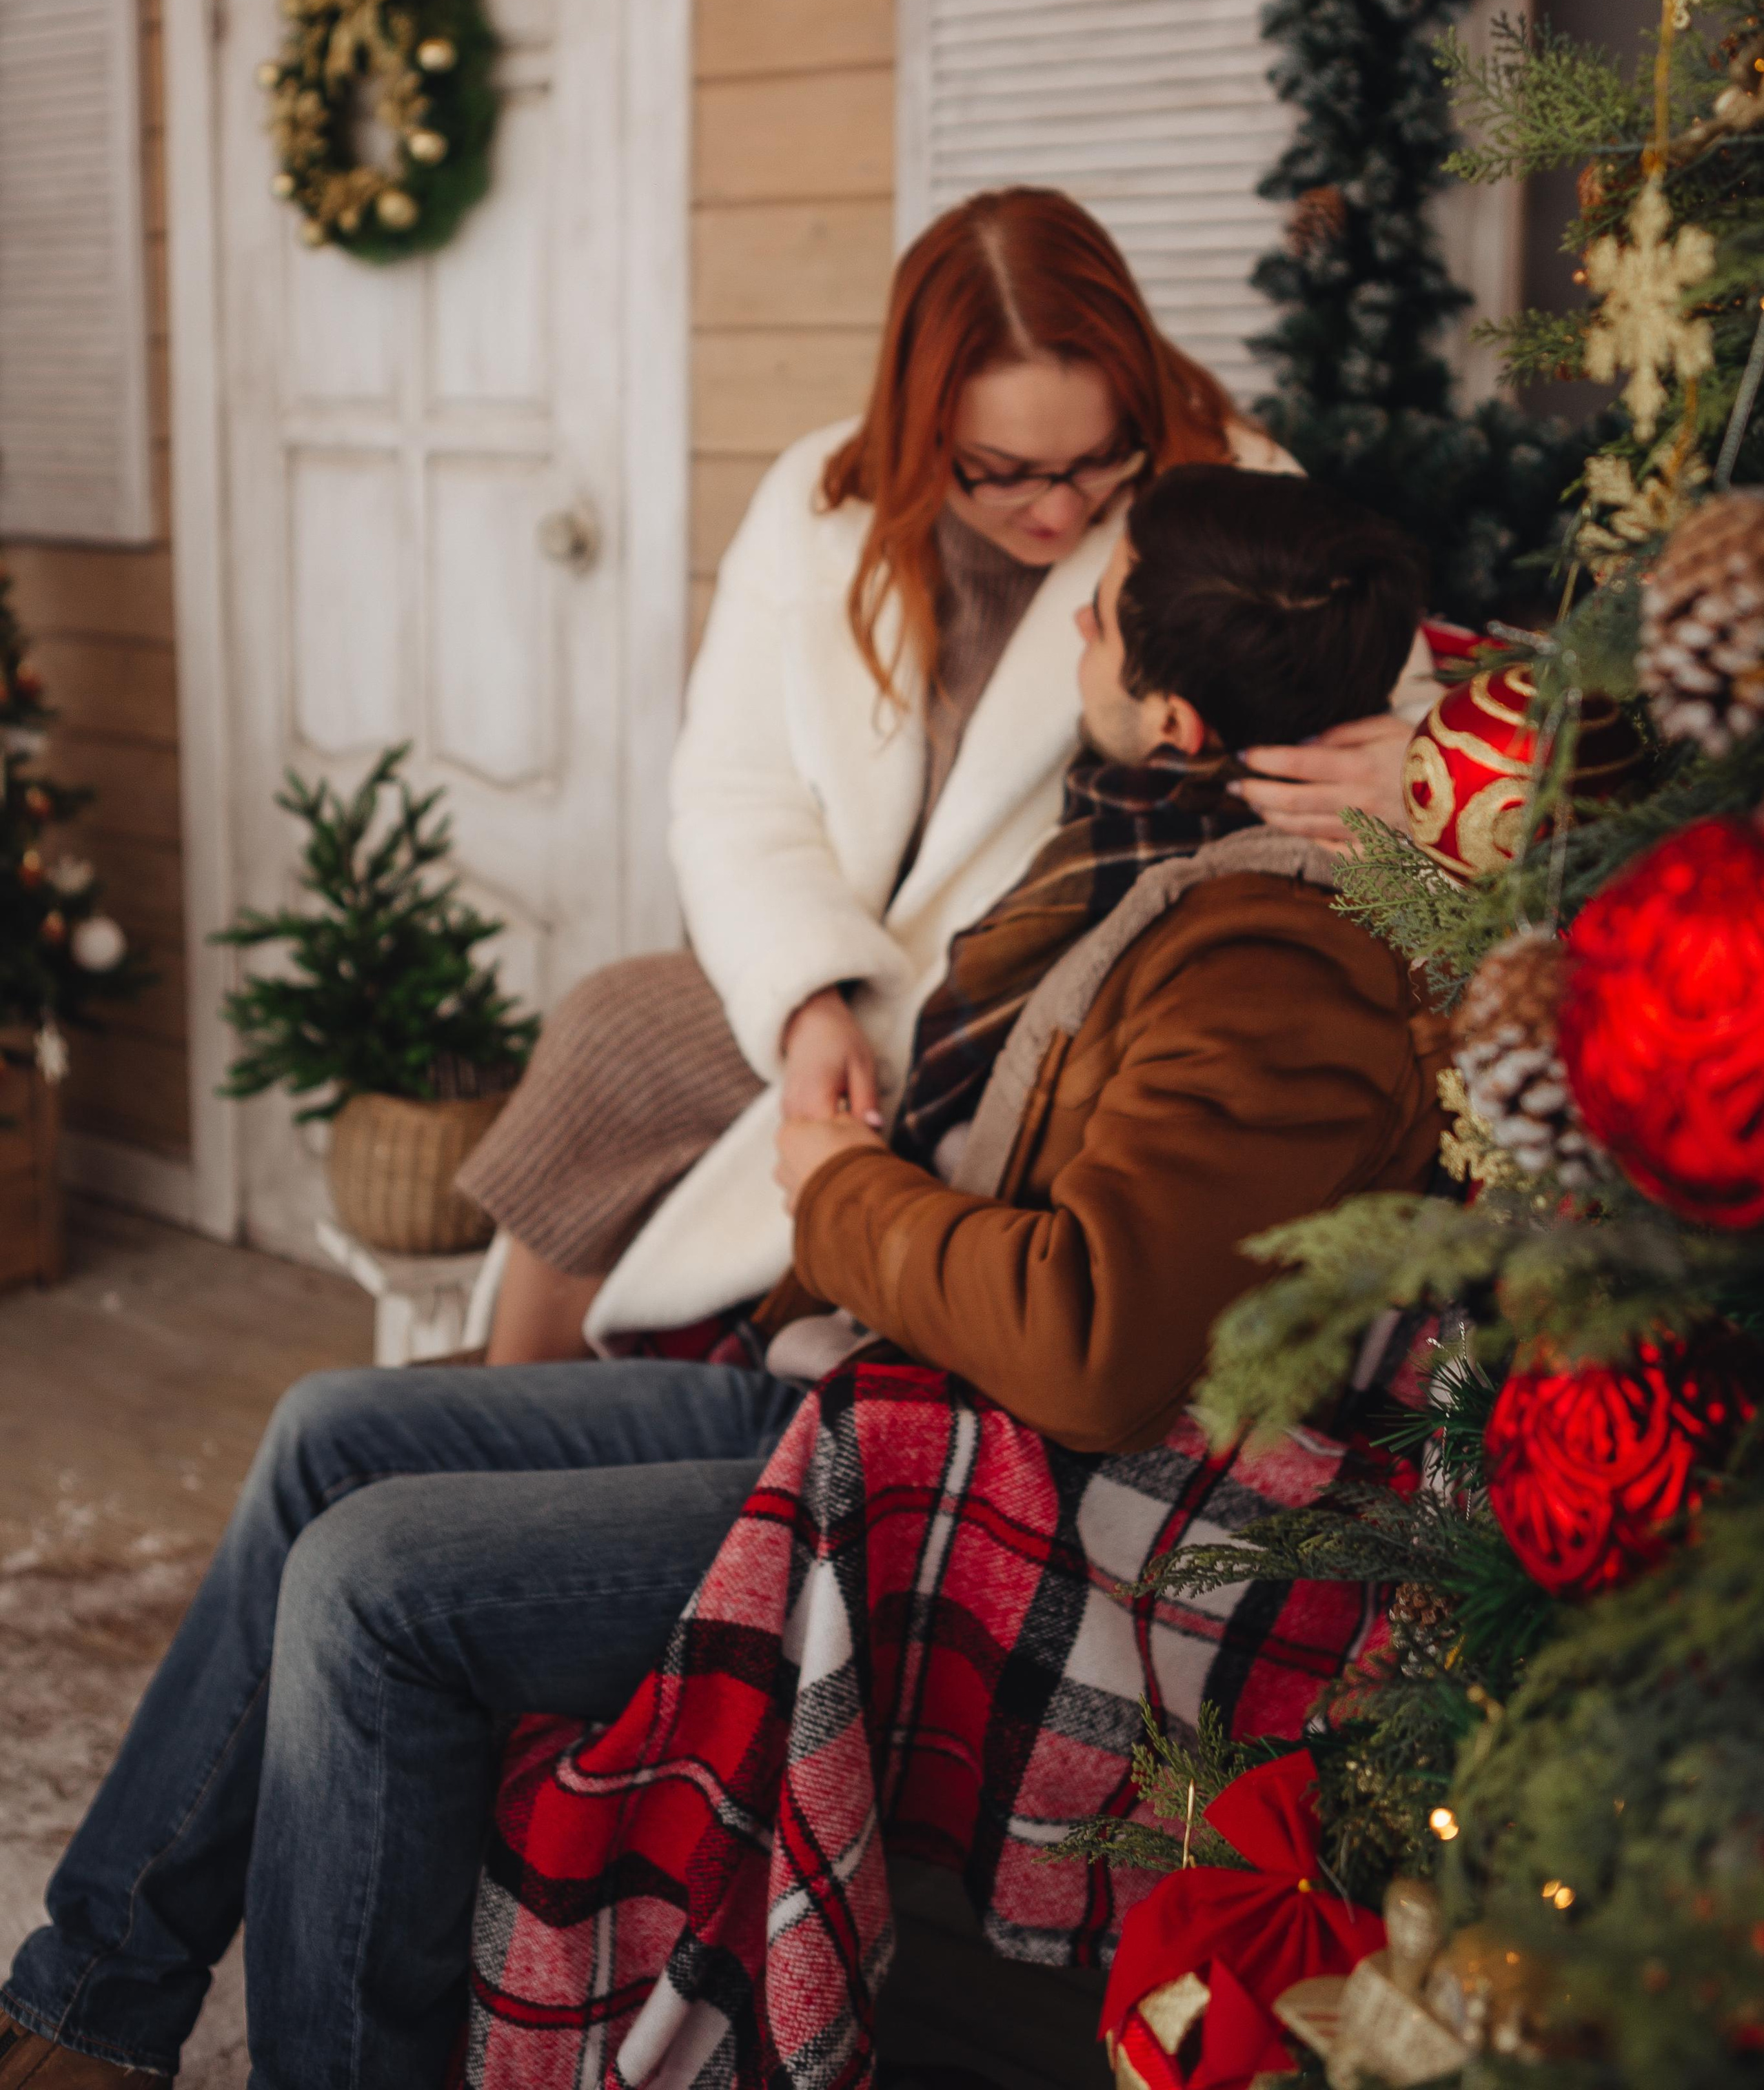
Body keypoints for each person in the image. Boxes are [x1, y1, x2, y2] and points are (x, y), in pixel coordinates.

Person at [0, 465, 1443, 2090]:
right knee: (326, 1432)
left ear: (1177, 718)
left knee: (375, 1583)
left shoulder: (1268, 966)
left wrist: (835, 1190)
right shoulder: (1142, 843)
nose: (1073, 636)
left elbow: (1087, 1347)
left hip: (962, 1503)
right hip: (877, 1387)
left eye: (1098, 619)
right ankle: (91, 2004)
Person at [462, 187, 1429, 1366]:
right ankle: (491, 1418)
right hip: (851, 971)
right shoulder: (817, 506)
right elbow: (734, 793)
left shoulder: (1221, 489)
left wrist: (1416, 773)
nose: (1061, 510)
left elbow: (1376, 699)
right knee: (610, 1039)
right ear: (923, 427)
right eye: (1004, 471)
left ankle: (527, 1429)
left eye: (1098, 460)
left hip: (1039, 1008)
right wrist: (805, 998)